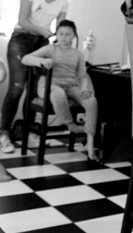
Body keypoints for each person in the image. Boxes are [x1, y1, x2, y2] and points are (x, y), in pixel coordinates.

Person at [0, 0, 69, 154]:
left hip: (42, 43)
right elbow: (22, 19)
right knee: (17, 88)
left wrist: (62, 41)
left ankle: (28, 133)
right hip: (21, 39)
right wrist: (43, 30)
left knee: (34, 91)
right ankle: (4, 135)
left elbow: (61, 28)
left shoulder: (63, 0)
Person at [21, 20, 99, 160]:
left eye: (68, 34)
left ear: (74, 36)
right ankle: (70, 125)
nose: (64, 37)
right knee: (58, 93)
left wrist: (84, 88)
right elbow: (26, 58)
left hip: (71, 86)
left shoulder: (78, 54)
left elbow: (82, 76)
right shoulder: (51, 49)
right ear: (56, 34)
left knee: (91, 101)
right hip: (49, 85)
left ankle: (90, 144)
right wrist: (41, 62)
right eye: (61, 34)